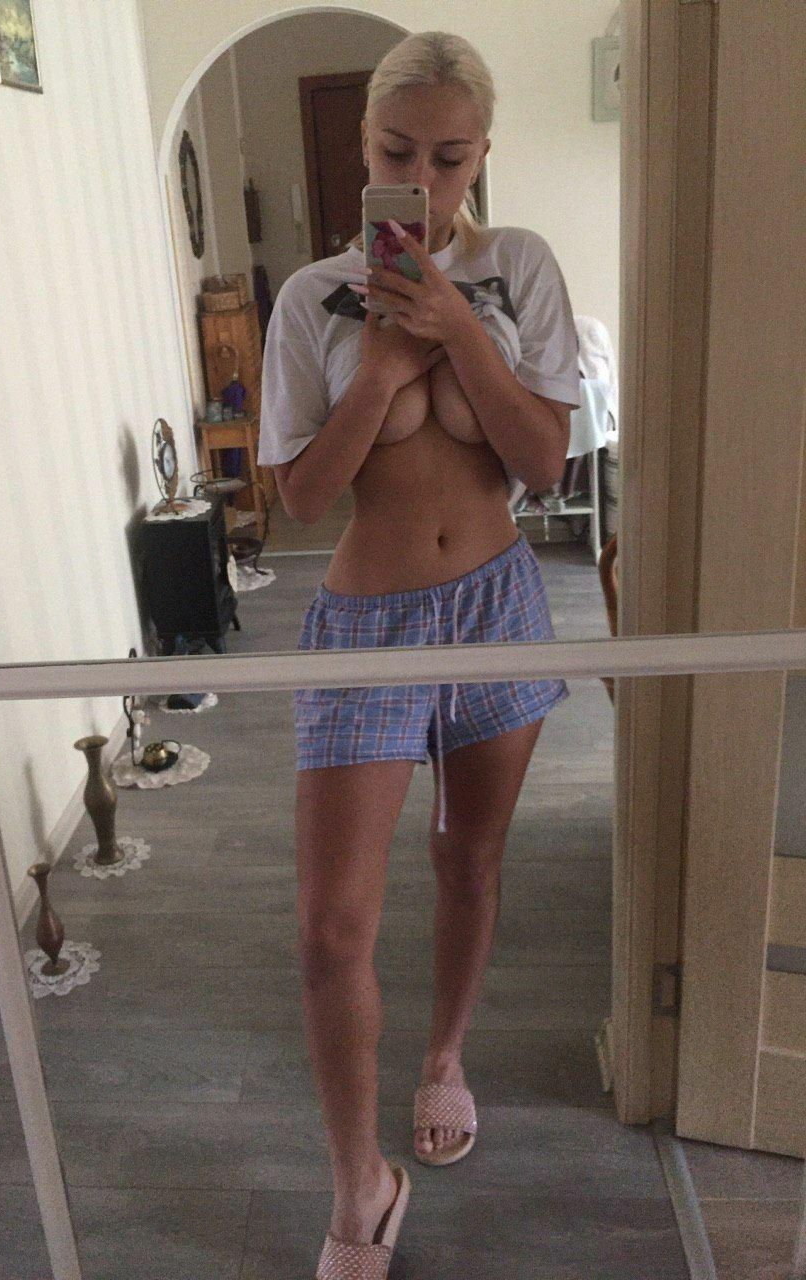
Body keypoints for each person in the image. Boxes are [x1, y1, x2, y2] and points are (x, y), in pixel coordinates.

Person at [256, 30, 581, 1279]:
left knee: (468, 858)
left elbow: (543, 463)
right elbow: (301, 499)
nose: (427, 181)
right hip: (368, 621)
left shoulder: (519, 266)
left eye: (451, 157)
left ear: (483, 153)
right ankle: (360, 1184)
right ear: (365, 145)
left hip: (498, 599)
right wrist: (383, 365)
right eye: (400, 152)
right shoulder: (310, 297)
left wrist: (460, 331)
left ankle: (444, 1056)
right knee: (330, 928)